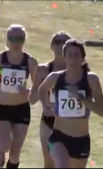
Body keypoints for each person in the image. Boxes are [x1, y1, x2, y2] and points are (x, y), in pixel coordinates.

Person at [38, 39, 103, 168]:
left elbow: (102, 111)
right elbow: (41, 89)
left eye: (77, 55)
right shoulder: (55, 77)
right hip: (58, 137)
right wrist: (45, 105)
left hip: (81, 140)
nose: (73, 59)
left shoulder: (91, 79)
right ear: (64, 57)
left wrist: (82, 99)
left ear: (83, 58)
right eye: (69, 55)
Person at [0, 24, 38, 168]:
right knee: (5, 146)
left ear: (24, 40)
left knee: (15, 155)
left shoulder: (30, 62)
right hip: (2, 109)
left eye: (20, 39)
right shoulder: (0, 58)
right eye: (12, 38)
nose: (16, 42)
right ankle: (0, 148)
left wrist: (29, 91)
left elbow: (37, 88)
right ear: (7, 40)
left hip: (22, 110)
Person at [29, 31, 72, 168]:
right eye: (58, 42)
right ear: (52, 46)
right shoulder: (43, 70)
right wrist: (45, 102)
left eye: (65, 42)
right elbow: (32, 99)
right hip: (49, 122)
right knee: (50, 163)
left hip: (72, 123)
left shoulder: (79, 71)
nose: (61, 45)